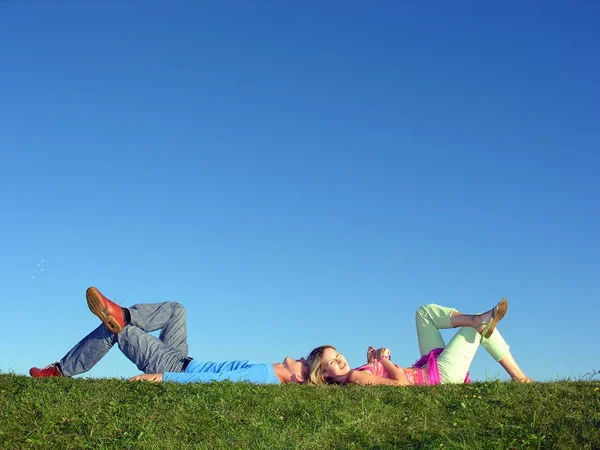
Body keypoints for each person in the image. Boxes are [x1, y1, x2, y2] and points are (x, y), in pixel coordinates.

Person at [30, 287, 309, 384]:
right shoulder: (272, 373)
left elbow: (213, 381)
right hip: (182, 357)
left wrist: (163, 377)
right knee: (177, 310)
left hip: (173, 368)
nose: (300, 358)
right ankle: (124, 314)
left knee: (116, 330)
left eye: (305, 363)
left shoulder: (265, 377)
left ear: (299, 377)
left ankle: (60, 371)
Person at [307, 298, 532, 386]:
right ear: (324, 374)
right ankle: (519, 377)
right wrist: (384, 361)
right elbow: (401, 384)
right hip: (438, 377)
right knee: (474, 330)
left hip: (427, 366)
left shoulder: (355, 373)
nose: (340, 359)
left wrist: (372, 363)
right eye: (334, 362)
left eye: (338, 355)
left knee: (423, 313)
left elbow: (377, 380)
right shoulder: (354, 377)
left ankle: (478, 320)